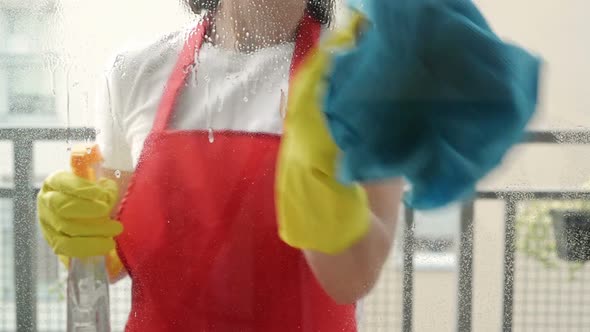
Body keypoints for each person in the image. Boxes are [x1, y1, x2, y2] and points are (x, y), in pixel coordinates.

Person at [37, 0, 540, 330]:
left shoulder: (356, 72)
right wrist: (81, 234)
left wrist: (319, 187)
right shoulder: (135, 71)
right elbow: (111, 259)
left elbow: (351, 279)